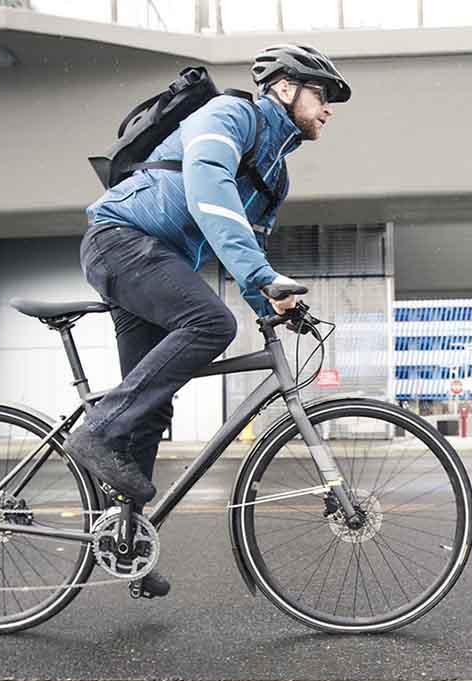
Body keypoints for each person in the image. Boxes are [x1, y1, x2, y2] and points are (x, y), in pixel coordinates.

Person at [63, 44, 351, 597]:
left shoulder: (275, 176)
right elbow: (208, 190)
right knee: (211, 325)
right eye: (323, 94)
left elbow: (249, 250)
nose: (330, 108)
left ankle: (127, 545)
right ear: (285, 88)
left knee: (147, 410)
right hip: (121, 241)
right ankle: (93, 433)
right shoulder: (228, 116)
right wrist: (262, 276)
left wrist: (273, 303)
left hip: (155, 258)